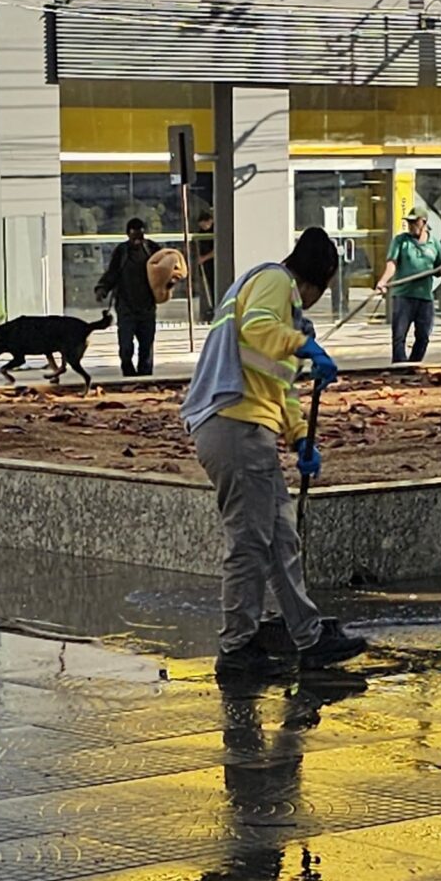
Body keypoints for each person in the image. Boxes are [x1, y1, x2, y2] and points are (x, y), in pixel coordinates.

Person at [181, 226, 369, 678]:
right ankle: (238, 648)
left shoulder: (284, 305)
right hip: (234, 424)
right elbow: (258, 328)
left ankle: (307, 635)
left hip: (249, 427)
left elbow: (280, 388)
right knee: (250, 541)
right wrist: (304, 345)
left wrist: (300, 437)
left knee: (280, 536)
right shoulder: (274, 282)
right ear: (318, 281)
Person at [94, 218, 163, 378]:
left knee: (146, 346)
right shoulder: (122, 251)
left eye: (140, 235)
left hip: (147, 306)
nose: (138, 240)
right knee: (126, 346)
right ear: (128, 234)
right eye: (134, 236)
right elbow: (112, 272)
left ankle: (145, 377)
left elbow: (166, 269)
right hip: (126, 306)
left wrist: (170, 282)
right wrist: (102, 288)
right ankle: (128, 372)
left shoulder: (152, 249)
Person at [376, 206, 441, 365]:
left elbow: (438, 268)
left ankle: (413, 365)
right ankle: (400, 365)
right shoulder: (400, 241)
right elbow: (392, 264)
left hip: (425, 297)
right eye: (409, 222)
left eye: (415, 222)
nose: (411, 225)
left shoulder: (434, 244)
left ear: (424, 223)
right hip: (403, 296)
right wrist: (383, 281)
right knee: (399, 336)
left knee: (423, 336)